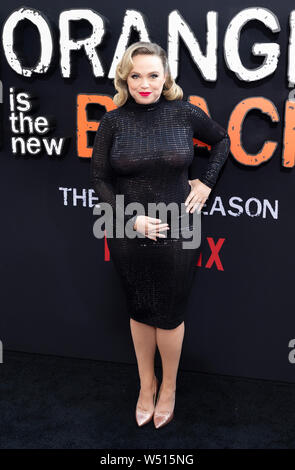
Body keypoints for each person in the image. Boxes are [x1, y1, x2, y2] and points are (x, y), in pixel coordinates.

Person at [90, 41, 231, 429]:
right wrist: (129, 218)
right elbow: (99, 178)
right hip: (127, 228)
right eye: (136, 76)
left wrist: (205, 183)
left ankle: (168, 387)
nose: (145, 83)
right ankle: (146, 385)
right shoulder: (112, 122)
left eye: (153, 74)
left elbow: (222, 141)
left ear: (166, 76)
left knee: (169, 315)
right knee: (139, 310)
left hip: (179, 228)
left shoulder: (185, 113)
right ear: (125, 78)